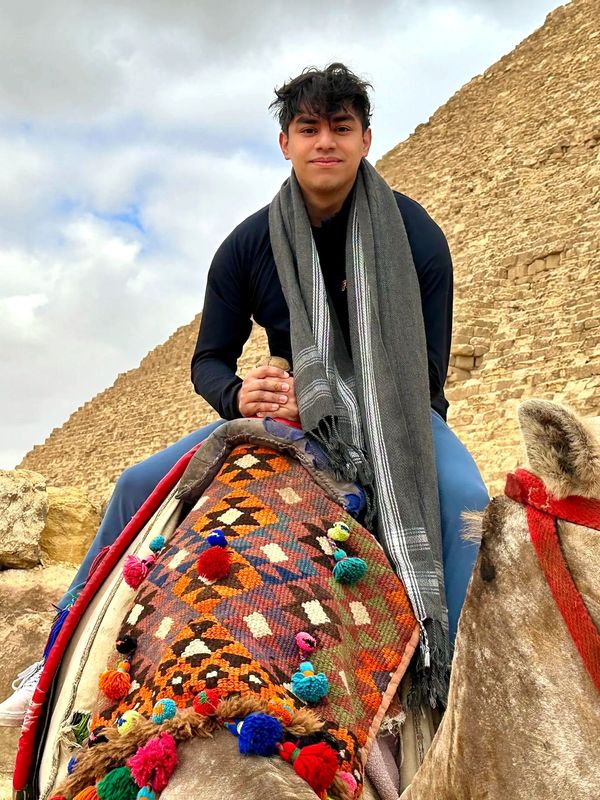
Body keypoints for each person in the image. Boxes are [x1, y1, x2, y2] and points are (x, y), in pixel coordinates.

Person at [0, 63, 488, 725]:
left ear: (366, 139)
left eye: (341, 129)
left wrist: (328, 398)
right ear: (284, 142)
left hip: (394, 416)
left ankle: (460, 686)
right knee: (133, 484)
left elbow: (425, 372)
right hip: (287, 420)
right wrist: (242, 395)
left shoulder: (415, 237)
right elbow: (208, 358)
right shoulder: (250, 244)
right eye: (309, 128)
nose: (326, 143)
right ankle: (54, 662)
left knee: (466, 500)